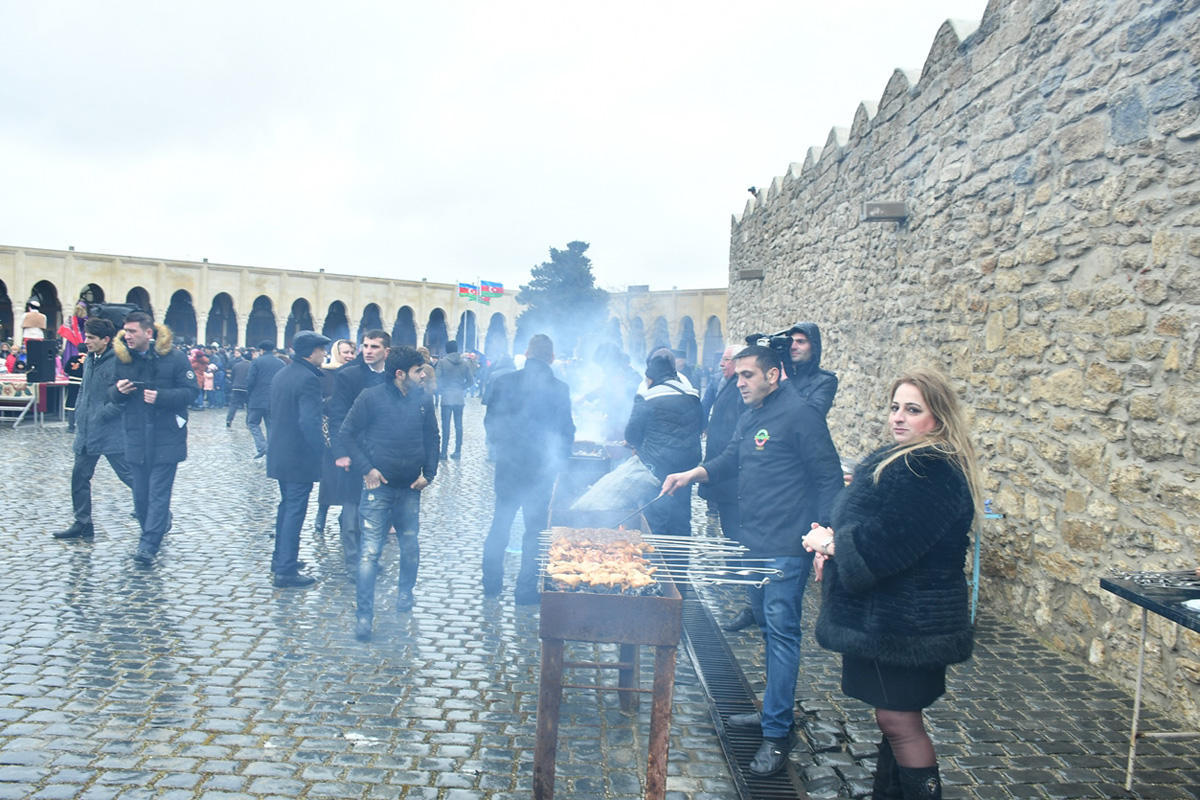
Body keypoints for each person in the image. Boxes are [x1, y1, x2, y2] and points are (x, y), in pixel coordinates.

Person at [662, 345, 843, 777]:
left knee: (782, 634)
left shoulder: (801, 416)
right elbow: (731, 459)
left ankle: (777, 734)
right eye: (737, 374)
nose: (738, 381)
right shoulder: (752, 414)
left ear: (773, 375)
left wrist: (825, 534)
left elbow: (829, 477)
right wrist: (692, 473)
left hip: (786, 545)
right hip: (753, 540)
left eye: (747, 375)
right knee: (765, 627)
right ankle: (770, 711)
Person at [801, 369, 980, 800]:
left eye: (913, 409)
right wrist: (834, 545)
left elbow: (886, 545)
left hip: (905, 622)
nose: (898, 417)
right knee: (892, 721)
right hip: (887, 616)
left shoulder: (929, 469)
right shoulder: (902, 458)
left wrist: (830, 544)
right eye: (895, 407)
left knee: (900, 722)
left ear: (937, 418)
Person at [339, 346, 438, 640]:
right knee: (370, 552)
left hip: (410, 487)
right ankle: (364, 616)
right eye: (418, 371)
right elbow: (346, 434)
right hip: (378, 487)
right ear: (400, 374)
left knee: (410, 545)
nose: (424, 375)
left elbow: (432, 437)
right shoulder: (370, 398)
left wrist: (429, 474)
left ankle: (405, 593)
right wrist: (366, 468)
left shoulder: (424, 400)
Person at [482, 334, 575, 604]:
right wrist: (560, 462)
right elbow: (566, 430)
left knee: (500, 524)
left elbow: (491, 423)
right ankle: (525, 592)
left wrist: (501, 449)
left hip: (509, 465)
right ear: (552, 358)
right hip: (540, 469)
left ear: (527, 353)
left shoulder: (504, 382)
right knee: (534, 531)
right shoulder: (560, 388)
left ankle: (491, 584)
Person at [110, 311, 199, 565]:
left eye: (132, 331)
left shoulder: (175, 357)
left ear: (148, 333)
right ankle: (153, 528)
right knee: (140, 496)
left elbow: (191, 392)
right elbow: (110, 393)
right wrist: (118, 392)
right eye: (126, 331)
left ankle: (148, 544)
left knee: (159, 493)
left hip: (166, 435)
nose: (127, 336)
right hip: (136, 435)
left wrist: (162, 397)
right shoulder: (122, 359)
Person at [53, 317, 134, 540]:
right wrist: (80, 411)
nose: (86, 341)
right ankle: (82, 524)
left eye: (91, 338)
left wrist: (104, 414)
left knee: (130, 476)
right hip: (87, 431)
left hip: (111, 432)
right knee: (79, 478)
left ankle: (159, 515)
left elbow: (126, 397)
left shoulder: (120, 360)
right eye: (86, 336)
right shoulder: (89, 358)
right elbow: (84, 390)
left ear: (105, 339)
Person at [266, 332, 331, 588]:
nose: (324, 354)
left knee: (286, 508)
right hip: (299, 456)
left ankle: (281, 558)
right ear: (311, 352)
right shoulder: (308, 379)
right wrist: (320, 450)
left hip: (281, 452)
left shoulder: (283, 373)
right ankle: (286, 569)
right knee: (294, 510)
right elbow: (309, 422)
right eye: (321, 350)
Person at [328, 330, 391, 580]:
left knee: (379, 508)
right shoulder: (349, 375)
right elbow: (337, 416)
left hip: (383, 451)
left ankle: (370, 557)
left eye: (374, 346)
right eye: (365, 346)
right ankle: (354, 562)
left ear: (386, 351)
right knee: (352, 509)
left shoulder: (392, 375)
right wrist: (340, 452)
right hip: (353, 450)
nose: (368, 351)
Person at [625, 349, 704, 545]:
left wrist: (637, 445)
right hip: (686, 466)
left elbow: (631, 434)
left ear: (650, 378)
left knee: (655, 516)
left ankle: (657, 558)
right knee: (681, 517)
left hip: (656, 466)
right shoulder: (692, 394)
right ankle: (681, 560)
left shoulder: (646, 396)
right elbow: (702, 425)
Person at [783, 322, 837, 414]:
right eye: (790, 342)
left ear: (813, 346)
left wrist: (785, 381)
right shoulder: (777, 375)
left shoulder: (825, 381)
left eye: (800, 342)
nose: (793, 347)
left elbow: (812, 414)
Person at [245, 341, 284, 457]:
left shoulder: (256, 362)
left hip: (257, 398)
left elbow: (250, 381)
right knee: (271, 425)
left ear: (261, 350)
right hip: (274, 399)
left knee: (252, 423)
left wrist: (249, 394)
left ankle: (262, 446)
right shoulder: (280, 363)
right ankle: (271, 448)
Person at [434, 339, 472, 459]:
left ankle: (444, 452)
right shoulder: (465, 363)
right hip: (459, 398)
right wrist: (461, 387)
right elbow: (471, 381)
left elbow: (437, 379)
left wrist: (442, 389)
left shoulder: (442, 362)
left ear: (447, 350)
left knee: (445, 426)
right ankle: (458, 451)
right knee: (458, 426)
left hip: (446, 397)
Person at [226, 347, 254, 427]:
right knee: (249, 406)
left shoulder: (237, 365)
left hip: (236, 387)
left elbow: (232, 376)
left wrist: (233, 384)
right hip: (247, 388)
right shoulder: (252, 366)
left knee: (233, 405)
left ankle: (229, 420)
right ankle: (248, 422)